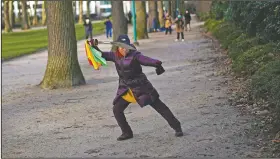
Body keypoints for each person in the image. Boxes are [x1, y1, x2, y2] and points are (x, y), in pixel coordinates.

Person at [89, 35, 183, 141]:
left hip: (142, 87)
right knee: (117, 109)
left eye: (126, 47)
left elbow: (145, 60)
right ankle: (127, 132)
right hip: (126, 89)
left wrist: (156, 63)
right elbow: (101, 55)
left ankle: (177, 127)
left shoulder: (135, 55)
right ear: (118, 47)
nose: (124, 50)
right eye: (121, 47)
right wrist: (93, 46)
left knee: (160, 106)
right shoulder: (115, 56)